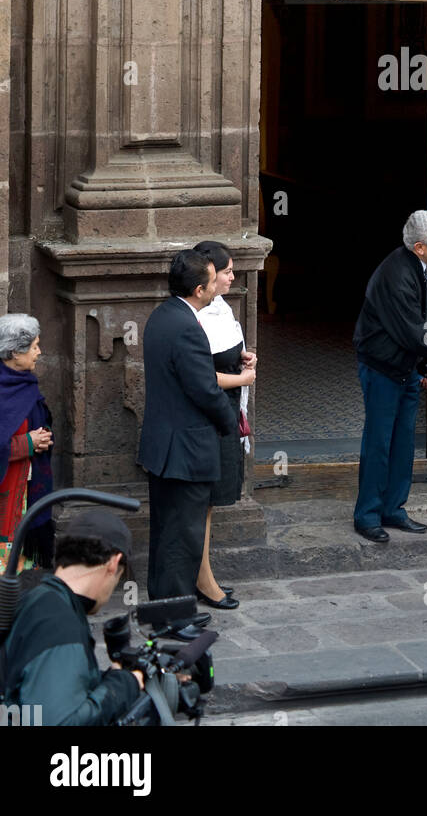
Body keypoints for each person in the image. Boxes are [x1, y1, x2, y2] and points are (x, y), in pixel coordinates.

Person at [353, 211, 427, 542]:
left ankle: (393, 509)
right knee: (379, 443)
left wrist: (423, 368)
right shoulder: (395, 273)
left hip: (405, 368)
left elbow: (421, 326)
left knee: (403, 442)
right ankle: (367, 515)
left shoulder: (420, 266)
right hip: (383, 369)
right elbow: (414, 334)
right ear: (420, 247)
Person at [137, 250, 236, 601]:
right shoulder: (187, 328)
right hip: (185, 451)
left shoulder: (163, 316)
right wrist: (230, 423)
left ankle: (164, 608)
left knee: (167, 533)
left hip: (165, 447)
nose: (217, 287)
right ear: (198, 290)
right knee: (183, 536)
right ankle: (175, 617)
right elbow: (205, 389)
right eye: (213, 281)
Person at [2, 508, 144, 725]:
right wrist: (124, 685)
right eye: (120, 577)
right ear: (113, 563)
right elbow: (58, 721)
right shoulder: (58, 622)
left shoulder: (39, 597)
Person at [192, 240, 257, 610]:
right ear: (209, 275)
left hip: (225, 414)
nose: (234, 276)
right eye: (228, 271)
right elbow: (200, 374)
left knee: (210, 502)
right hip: (207, 418)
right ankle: (202, 579)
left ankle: (204, 574)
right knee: (200, 502)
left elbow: (226, 353)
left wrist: (244, 357)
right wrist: (242, 380)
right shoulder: (193, 317)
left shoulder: (220, 309)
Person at [0, 314, 54, 572]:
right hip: (5, 495)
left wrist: (43, 439)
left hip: (27, 492)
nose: (39, 352)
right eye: (33, 346)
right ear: (13, 352)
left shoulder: (27, 384)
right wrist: (28, 444)